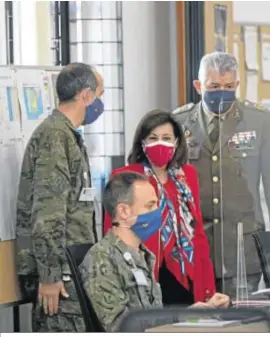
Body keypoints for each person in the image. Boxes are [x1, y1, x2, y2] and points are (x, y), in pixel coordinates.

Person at [172, 51, 270, 296]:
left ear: (237, 84)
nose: (221, 92)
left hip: (242, 248)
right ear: (198, 86)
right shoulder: (179, 122)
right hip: (195, 247)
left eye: (228, 86)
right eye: (214, 86)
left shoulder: (257, 120)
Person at [15, 63, 105, 332]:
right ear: (86, 95)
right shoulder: (56, 137)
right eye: (100, 94)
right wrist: (51, 276)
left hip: (72, 267)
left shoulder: (67, 135)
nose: (101, 103)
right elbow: (47, 215)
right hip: (60, 277)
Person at [80, 172, 230, 332]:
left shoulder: (144, 255)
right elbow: (122, 327)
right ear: (124, 211)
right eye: (150, 206)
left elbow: (154, 320)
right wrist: (181, 316)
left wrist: (198, 312)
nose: (158, 211)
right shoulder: (102, 258)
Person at [103, 109, 217, 306]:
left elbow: (197, 231)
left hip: (186, 273)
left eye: (166, 138)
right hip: (144, 275)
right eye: (153, 138)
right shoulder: (126, 176)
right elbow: (111, 232)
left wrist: (208, 289)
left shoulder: (186, 175)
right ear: (143, 142)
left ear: (177, 142)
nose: (160, 143)